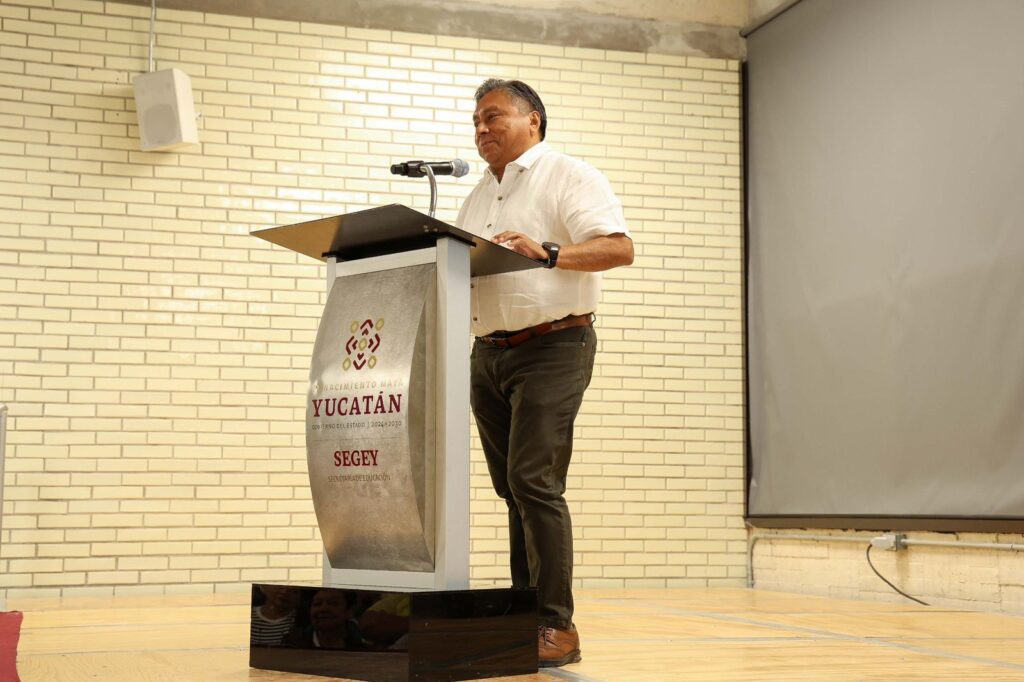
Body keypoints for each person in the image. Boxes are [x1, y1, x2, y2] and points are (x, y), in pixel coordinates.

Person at [457, 78, 633, 668]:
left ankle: (558, 626)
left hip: (553, 345)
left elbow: (618, 248)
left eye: (493, 117)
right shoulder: (479, 195)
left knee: (533, 481)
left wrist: (550, 252)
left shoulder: (569, 175)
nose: (482, 129)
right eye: (476, 121)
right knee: (513, 490)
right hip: (488, 353)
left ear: (532, 119)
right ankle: (523, 617)